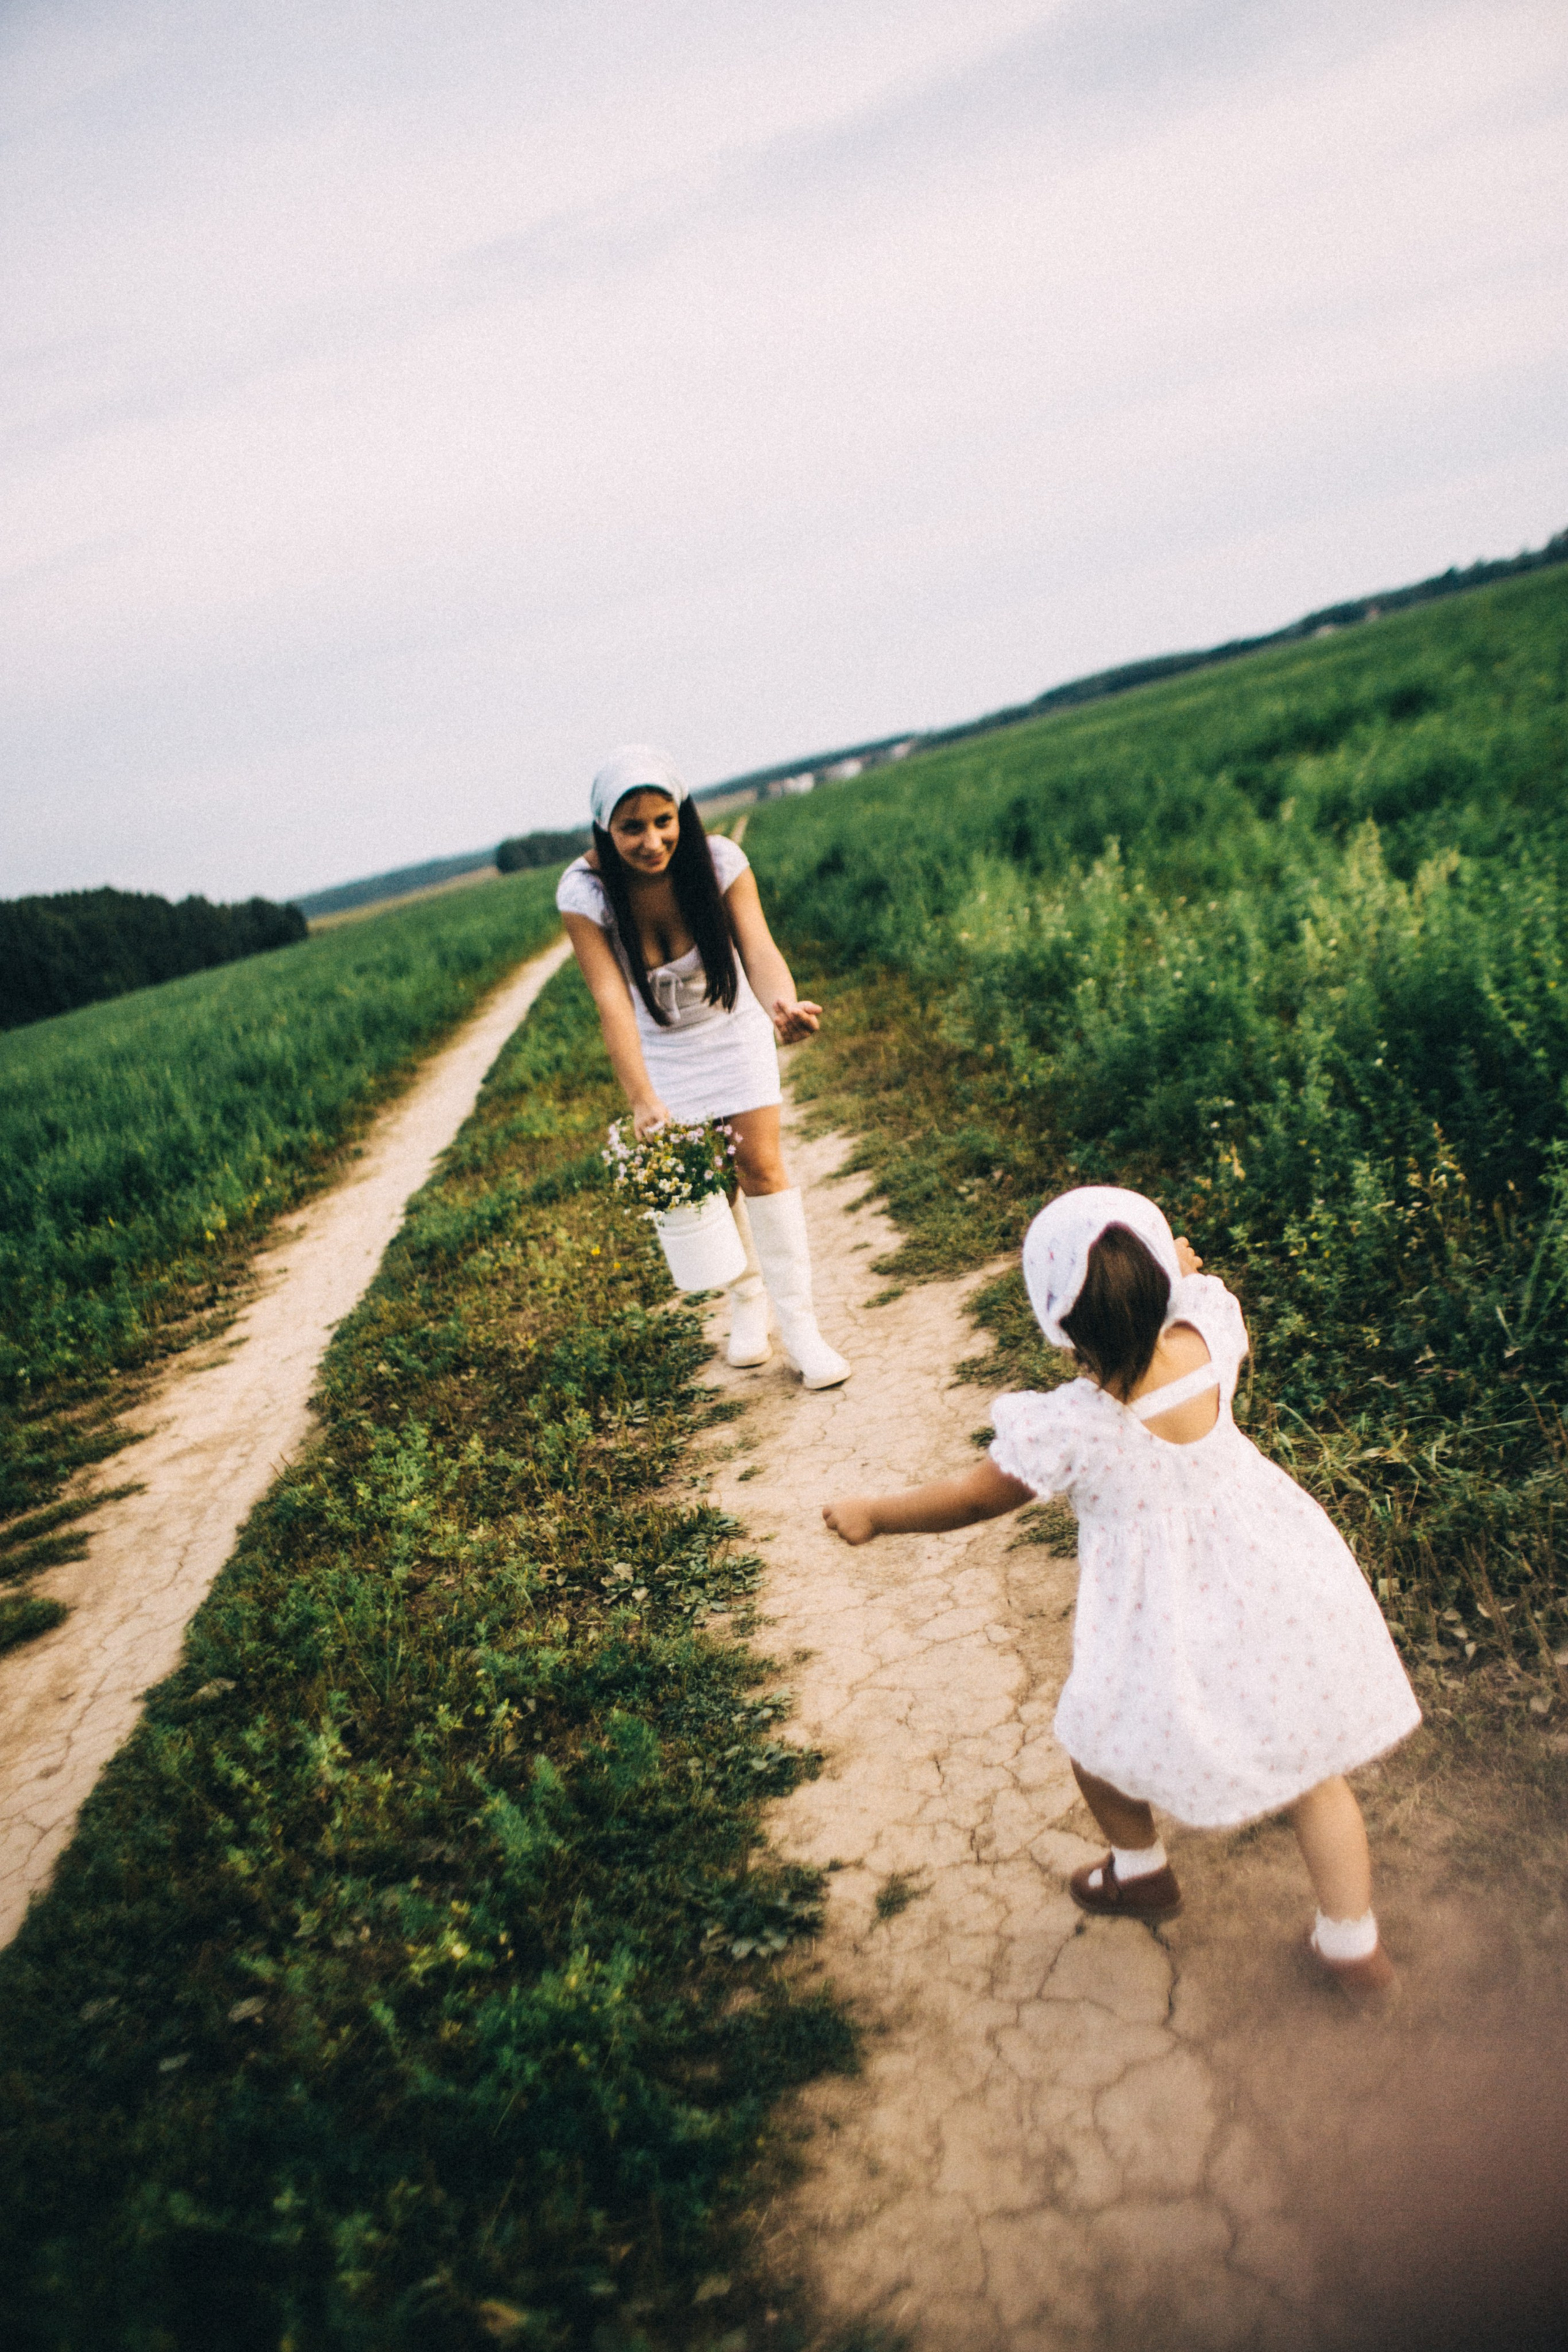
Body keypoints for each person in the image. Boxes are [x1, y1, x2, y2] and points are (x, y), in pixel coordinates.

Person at [823, 1185, 1421, 2000]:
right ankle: (1353, 1946)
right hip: (1268, 1576)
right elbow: (1197, 1282)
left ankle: (1140, 1870)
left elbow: (970, 1499)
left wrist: (875, 1516)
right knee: (1316, 1773)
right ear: (1163, 1281)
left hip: (1161, 1613)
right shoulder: (1207, 1335)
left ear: (1058, 1323)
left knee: (1099, 1738)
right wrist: (1176, 1267)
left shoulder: (1069, 1427)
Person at [557, 743, 850, 1389]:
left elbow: (759, 947)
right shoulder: (584, 892)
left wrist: (780, 1005)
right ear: (604, 829)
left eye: (664, 820)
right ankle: (746, 1301)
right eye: (631, 827)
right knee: (706, 1182)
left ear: (681, 814)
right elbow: (610, 1000)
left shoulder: (719, 862)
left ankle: (801, 1330)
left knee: (761, 1166)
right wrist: (640, 1096)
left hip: (733, 1026)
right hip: (660, 1048)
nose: (652, 840)